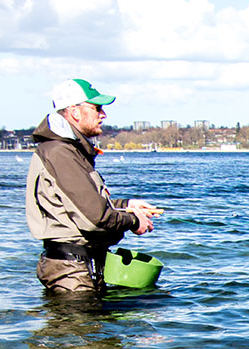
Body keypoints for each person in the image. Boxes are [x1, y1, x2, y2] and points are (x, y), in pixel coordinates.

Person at [25, 78, 161, 294]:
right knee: (77, 327)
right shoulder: (60, 153)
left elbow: (80, 203)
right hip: (71, 271)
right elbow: (94, 217)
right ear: (75, 112)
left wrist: (127, 205)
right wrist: (134, 220)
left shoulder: (69, 150)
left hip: (75, 267)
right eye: (96, 108)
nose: (103, 115)